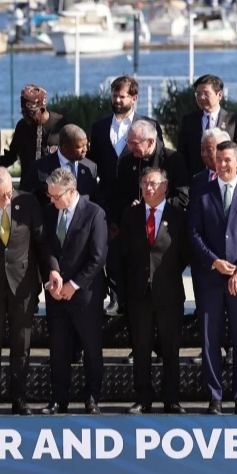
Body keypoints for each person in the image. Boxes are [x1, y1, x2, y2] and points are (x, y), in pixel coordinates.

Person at [0, 167, 59, 416]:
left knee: (21, 344)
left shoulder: (27, 202)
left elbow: (41, 241)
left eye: (9, 192)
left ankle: (19, 397)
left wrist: (52, 269)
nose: (7, 198)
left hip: (23, 286)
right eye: (0, 195)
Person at [188, 141, 237, 415]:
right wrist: (214, 262)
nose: (222, 164)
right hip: (210, 277)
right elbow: (193, 233)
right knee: (210, 338)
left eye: (227, 159)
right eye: (218, 159)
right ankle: (215, 397)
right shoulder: (201, 193)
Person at [88, 75, 163, 312]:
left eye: (122, 96)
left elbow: (156, 162)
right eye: (114, 96)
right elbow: (93, 163)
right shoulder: (99, 127)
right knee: (110, 251)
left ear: (134, 98)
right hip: (109, 201)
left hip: (138, 200)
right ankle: (115, 297)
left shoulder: (150, 125)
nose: (117, 100)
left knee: (137, 251)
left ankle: (137, 299)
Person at [120, 167, 188, 414]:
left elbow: (185, 253)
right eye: (145, 184)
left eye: (154, 184)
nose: (148, 188)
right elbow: (122, 252)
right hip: (139, 294)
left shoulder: (178, 216)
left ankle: (172, 398)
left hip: (169, 292)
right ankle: (143, 397)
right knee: (141, 347)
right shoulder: (131, 215)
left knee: (170, 347)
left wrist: (165, 274)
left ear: (165, 187)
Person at [41, 168, 108, 415]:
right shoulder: (50, 212)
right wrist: (52, 273)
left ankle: (92, 397)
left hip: (85, 295)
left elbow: (98, 256)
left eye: (56, 196)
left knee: (91, 348)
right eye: (49, 195)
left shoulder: (94, 213)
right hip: (56, 293)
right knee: (58, 349)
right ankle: (59, 399)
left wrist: (74, 285)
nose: (52, 200)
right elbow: (46, 246)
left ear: (72, 191)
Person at [178, 74, 237, 177]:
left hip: (225, 177)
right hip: (196, 179)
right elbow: (182, 154)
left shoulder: (233, 121)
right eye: (198, 94)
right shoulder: (188, 121)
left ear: (219, 95)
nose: (201, 97)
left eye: (206, 93)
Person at [0, 84, 68, 176]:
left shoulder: (61, 125)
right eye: (23, 113)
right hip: (27, 183)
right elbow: (10, 156)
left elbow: (71, 156)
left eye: (30, 113)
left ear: (42, 110)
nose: (26, 117)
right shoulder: (22, 126)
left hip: (54, 182)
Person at [20, 124, 98, 208]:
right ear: (65, 147)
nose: (85, 149)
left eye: (86, 145)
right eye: (80, 146)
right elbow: (26, 198)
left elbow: (95, 200)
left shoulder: (90, 167)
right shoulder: (40, 167)